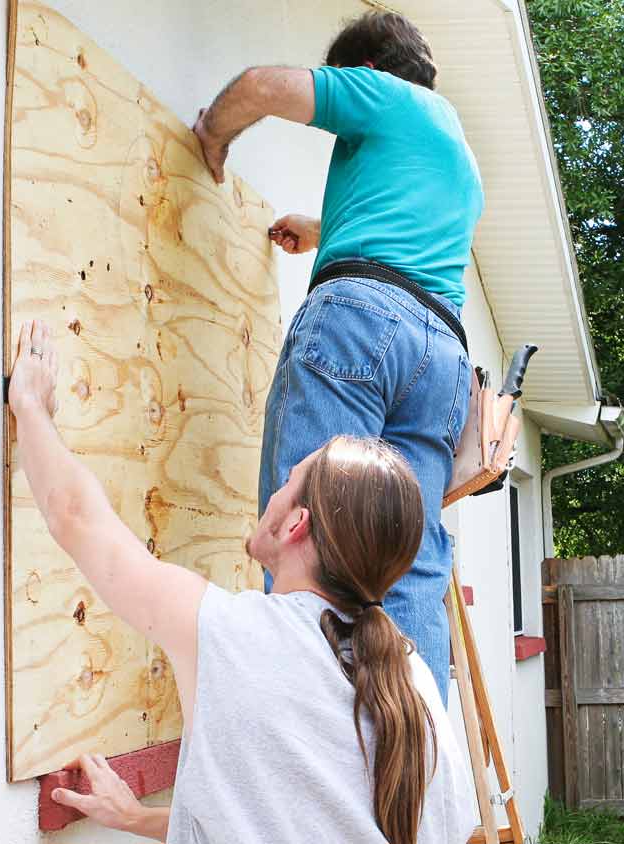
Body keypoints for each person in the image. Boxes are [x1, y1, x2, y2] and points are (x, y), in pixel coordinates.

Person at [9, 320, 475, 843]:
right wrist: (136, 819)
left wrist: (30, 406)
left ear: (295, 523)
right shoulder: (413, 682)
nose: (274, 492)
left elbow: (76, 516)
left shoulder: (231, 634)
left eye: (289, 480)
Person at [190, 11, 484, 700]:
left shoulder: (382, 94)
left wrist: (212, 133)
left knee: (308, 530)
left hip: (360, 328)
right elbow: (407, 241)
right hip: (441, 357)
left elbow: (263, 86)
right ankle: (406, 776)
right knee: (403, 554)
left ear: (369, 70)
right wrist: (324, 231)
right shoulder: (458, 152)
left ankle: (307, 754)